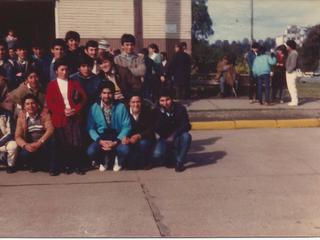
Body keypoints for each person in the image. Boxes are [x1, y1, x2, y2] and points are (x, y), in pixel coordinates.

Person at [46, 57, 87, 175]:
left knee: (76, 143)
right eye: (62, 69)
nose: (65, 72)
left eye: (66, 70)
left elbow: (83, 98)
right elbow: (50, 103)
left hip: (74, 116)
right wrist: (62, 111)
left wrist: (75, 109)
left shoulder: (74, 83)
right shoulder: (52, 85)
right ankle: (66, 165)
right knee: (63, 143)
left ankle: (77, 166)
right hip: (60, 118)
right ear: (56, 71)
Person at [87, 81, 131, 172]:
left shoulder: (121, 106)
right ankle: (103, 161)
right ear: (100, 94)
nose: (107, 96)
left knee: (125, 150)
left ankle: (118, 160)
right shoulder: (94, 107)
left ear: (113, 94)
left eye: (109, 93)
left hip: (117, 136)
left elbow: (127, 126)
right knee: (91, 151)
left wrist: (116, 141)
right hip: (102, 137)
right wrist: (100, 141)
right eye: (104, 93)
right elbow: (90, 128)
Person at [15, 94, 57, 175]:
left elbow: (50, 130)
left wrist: (39, 142)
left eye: (33, 103)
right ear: (24, 106)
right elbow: (17, 136)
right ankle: (35, 164)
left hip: (43, 143)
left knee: (53, 142)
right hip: (30, 144)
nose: (30, 106)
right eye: (27, 104)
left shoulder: (44, 114)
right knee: (24, 154)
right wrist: (26, 145)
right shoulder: (21, 118)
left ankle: (52, 167)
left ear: (37, 105)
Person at [152, 88, 192, 172]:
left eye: (167, 100)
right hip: (164, 137)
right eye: (162, 100)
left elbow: (187, 125)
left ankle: (180, 163)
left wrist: (174, 135)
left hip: (178, 135)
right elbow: (156, 128)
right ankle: (171, 156)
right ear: (159, 101)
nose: (165, 103)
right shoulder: (156, 110)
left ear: (171, 99)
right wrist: (163, 114)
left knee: (187, 136)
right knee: (157, 155)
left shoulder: (180, 108)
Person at [126, 93, 155, 169]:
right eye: (133, 102)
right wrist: (126, 137)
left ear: (141, 102)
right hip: (129, 138)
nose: (136, 104)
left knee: (144, 144)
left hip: (144, 138)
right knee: (123, 149)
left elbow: (151, 129)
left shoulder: (148, 111)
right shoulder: (125, 112)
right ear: (129, 103)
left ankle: (145, 162)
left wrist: (139, 136)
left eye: (138, 102)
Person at [0, 105, 18, 173]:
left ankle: (10, 165)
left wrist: (1, 142)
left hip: (4, 141)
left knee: (13, 145)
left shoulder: (7, 113)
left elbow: (10, 133)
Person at [285, 40, 299, 106]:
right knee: (290, 87)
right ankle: (293, 100)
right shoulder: (291, 53)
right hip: (290, 72)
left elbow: (293, 64)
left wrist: (288, 70)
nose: (287, 47)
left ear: (290, 46)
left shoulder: (294, 53)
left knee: (292, 87)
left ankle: (295, 101)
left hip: (291, 72)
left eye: (287, 45)